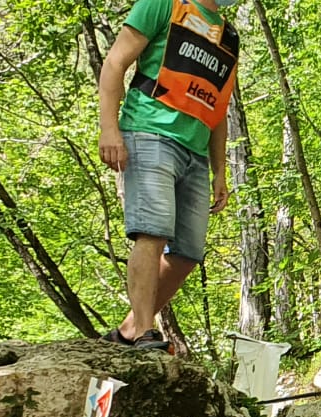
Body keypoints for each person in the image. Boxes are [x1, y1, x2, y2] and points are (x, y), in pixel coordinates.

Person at [95, 0, 240, 350]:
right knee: (152, 232)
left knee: (188, 252)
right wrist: (108, 129)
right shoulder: (163, 4)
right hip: (148, 131)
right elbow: (116, 62)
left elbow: (218, 110)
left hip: (195, 151)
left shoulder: (229, 37)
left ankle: (128, 330)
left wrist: (220, 170)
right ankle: (146, 330)